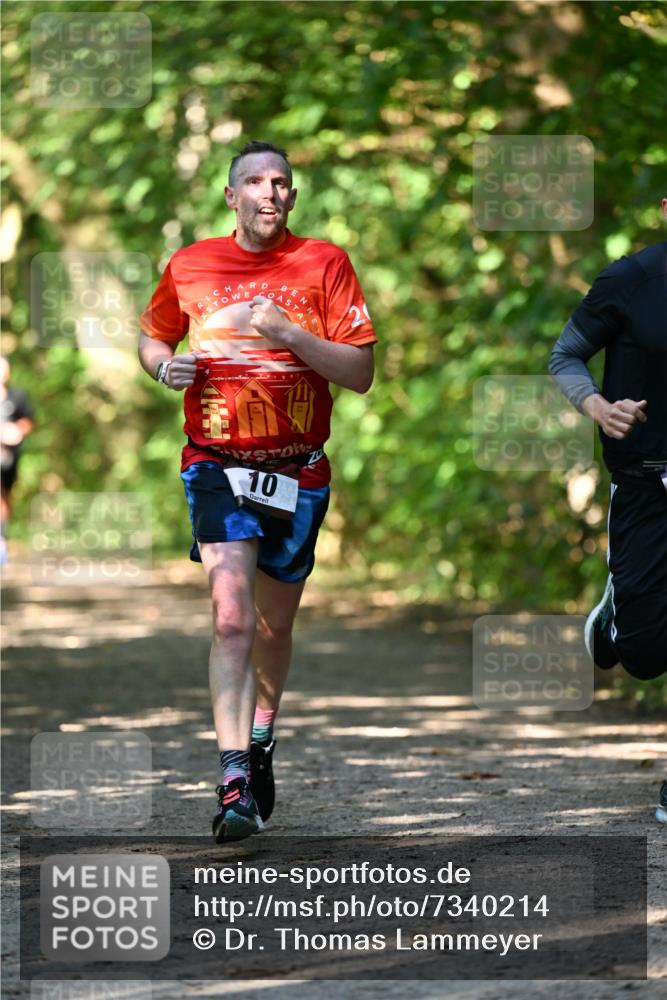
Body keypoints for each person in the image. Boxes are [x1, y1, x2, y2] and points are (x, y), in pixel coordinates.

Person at [138, 141, 376, 842]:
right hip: (215, 464)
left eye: (280, 183)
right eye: (255, 182)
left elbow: (358, 373)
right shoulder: (190, 263)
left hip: (298, 468)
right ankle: (233, 777)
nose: (269, 193)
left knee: (274, 627)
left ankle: (262, 734)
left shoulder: (324, 263)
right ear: (230, 195)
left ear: (292, 198)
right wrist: (163, 368)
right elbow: (153, 338)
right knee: (233, 619)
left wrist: (286, 332)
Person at [548, 198, 666, 823]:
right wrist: (599, 406)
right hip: (644, 478)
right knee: (646, 655)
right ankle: (620, 610)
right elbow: (564, 356)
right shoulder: (630, 279)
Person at [0, 356, 35, 565]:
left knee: (4, 497)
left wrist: (16, 431)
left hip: (7, 458)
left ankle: (2, 540)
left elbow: (29, 421)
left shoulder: (18, 397)